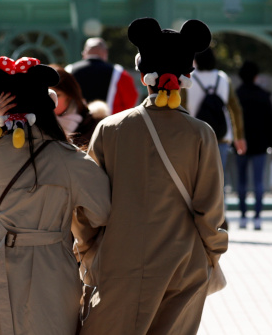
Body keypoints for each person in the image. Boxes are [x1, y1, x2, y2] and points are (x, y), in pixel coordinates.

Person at [80, 18, 226, 335]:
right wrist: (212, 254)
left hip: (118, 260)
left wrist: (87, 251)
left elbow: (87, 203)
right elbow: (210, 209)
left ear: (142, 76)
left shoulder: (109, 129)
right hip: (183, 262)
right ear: (187, 77)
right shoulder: (201, 134)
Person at [0, 55, 111, 335]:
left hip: (1, 256)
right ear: (47, 106)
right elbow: (102, 213)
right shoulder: (71, 160)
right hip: (52, 259)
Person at [185, 47, 247, 180]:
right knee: (218, 180)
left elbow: (181, 109)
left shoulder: (188, 79)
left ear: (195, 60)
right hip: (220, 136)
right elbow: (235, 109)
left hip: (195, 137)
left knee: (195, 180)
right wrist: (239, 136)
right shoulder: (223, 78)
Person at [233, 60, 272, 230]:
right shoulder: (263, 95)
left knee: (241, 182)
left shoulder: (237, 94)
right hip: (260, 143)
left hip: (240, 143)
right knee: (259, 182)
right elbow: (271, 123)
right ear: (256, 76)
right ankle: (258, 217)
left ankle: (243, 216)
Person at [67, 37, 139, 114]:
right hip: (110, 119)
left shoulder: (69, 70)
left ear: (84, 53)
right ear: (105, 53)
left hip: (76, 119)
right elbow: (130, 99)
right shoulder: (118, 72)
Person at [49, 63, 100, 149]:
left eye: (56, 95)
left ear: (69, 96)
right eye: (43, 95)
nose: (48, 100)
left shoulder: (95, 125)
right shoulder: (32, 125)